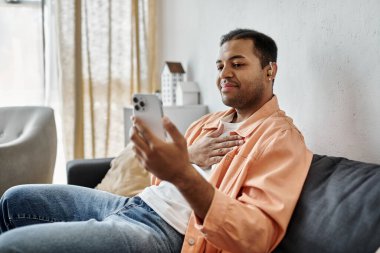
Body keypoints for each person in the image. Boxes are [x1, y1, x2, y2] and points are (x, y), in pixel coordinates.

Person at [0, 28, 312, 253]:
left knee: (11, 246)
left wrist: (184, 173)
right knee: (14, 200)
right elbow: (160, 182)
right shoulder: (208, 123)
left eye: (238, 64)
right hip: (133, 204)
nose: (224, 74)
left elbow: (255, 238)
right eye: (220, 66)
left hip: (165, 233)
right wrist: (185, 157)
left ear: (270, 70)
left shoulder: (281, 140)